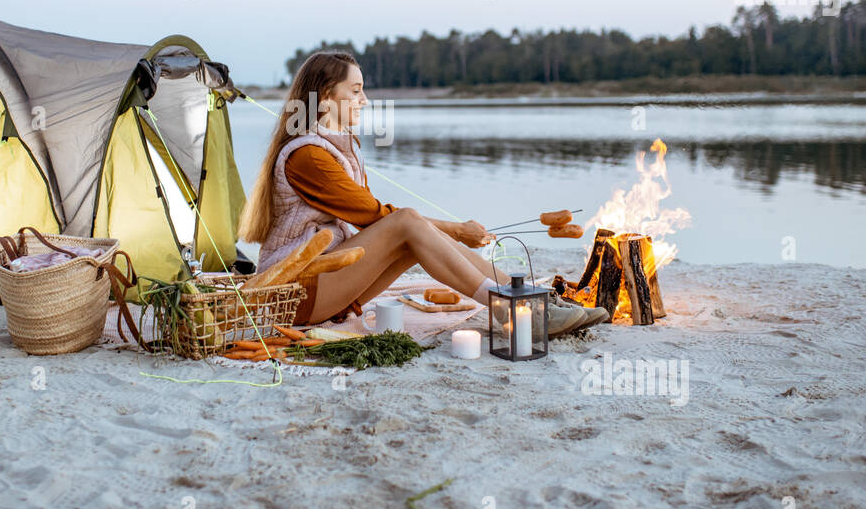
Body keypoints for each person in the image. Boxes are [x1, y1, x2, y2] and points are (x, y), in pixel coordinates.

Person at [237, 51, 602, 333]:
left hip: (330, 282)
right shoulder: (308, 156)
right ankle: (510, 308)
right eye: (356, 91)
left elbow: (378, 223)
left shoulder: (337, 146)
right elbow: (375, 216)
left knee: (414, 236)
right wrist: (456, 229)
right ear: (327, 97)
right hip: (296, 295)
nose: (365, 100)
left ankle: (532, 300)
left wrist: (445, 232)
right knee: (407, 223)